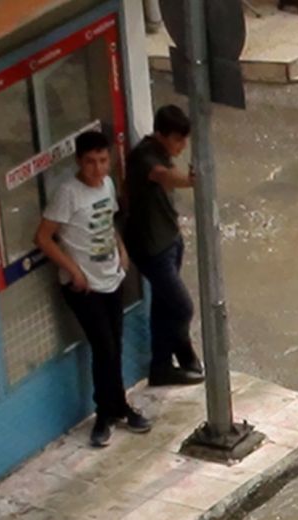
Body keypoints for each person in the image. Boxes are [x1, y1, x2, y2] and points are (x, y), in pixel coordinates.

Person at [35, 131, 151, 449]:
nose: (97, 169)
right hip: (83, 287)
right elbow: (43, 237)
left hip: (111, 277)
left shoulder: (108, 185)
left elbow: (107, 222)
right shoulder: (67, 194)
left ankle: (118, 407)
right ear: (79, 161)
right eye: (90, 162)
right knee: (104, 349)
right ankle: (106, 413)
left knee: (114, 343)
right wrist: (73, 271)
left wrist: (122, 250)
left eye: (102, 161)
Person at [123, 104, 203, 387]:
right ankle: (182, 352)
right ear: (160, 134)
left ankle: (162, 366)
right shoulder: (144, 157)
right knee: (182, 307)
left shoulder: (162, 152)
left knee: (164, 305)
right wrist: (193, 181)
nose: (181, 146)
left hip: (169, 241)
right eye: (177, 139)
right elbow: (163, 176)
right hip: (152, 248)